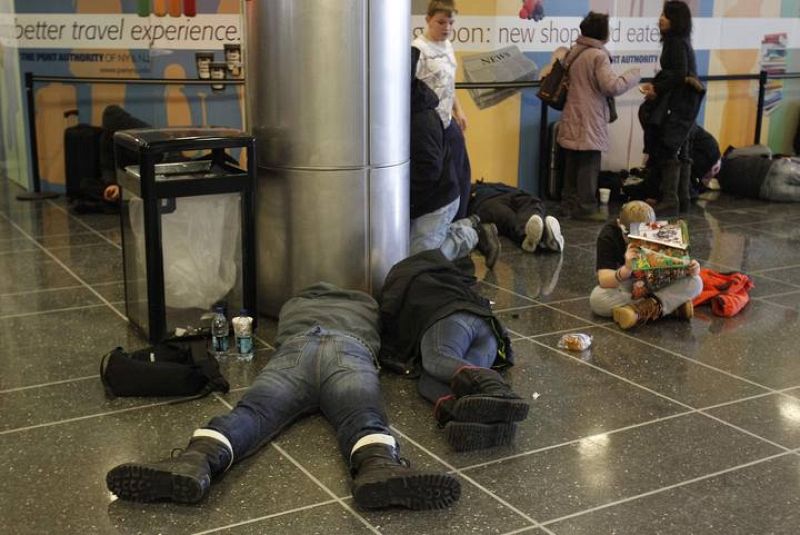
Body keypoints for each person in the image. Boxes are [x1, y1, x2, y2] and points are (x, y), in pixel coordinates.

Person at [106, 282, 461, 510]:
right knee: (362, 415)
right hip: (348, 350)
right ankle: (378, 466)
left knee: (253, 412)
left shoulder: (294, 304)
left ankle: (195, 460)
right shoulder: (367, 306)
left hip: (296, 350)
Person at [378, 250, 529, 452]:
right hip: (490, 334)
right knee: (429, 379)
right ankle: (481, 420)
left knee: (436, 358)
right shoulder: (451, 278)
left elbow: (387, 321)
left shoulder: (403, 281)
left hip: (450, 320)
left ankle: (492, 391)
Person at [410, 47, 501, 268]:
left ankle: (470, 233)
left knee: (417, 263)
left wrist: (406, 202)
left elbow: (428, 171)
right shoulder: (408, 107)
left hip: (436, 199)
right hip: (424, 196)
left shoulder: (421, 117)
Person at [557, 12, 641, 221]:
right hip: (590, 116)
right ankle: (586, 207)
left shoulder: (574, 52)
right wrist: (632, 76)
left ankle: (568, 204)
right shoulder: (598, 56)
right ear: (602, 32)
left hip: (572, 113)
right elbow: (611, 86)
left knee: (572, 161)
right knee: (589, 161)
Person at [589, 201, 702, 329]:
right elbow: (604, 280)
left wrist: (691, 268)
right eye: (630, 236)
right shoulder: (609, 235)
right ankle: (669, 305)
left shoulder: (659, 231)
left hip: (655, 283)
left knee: (696, 282)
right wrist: (626, 269)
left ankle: (640, 311)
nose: (638, 241)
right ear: (620, 224)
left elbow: (677, 265)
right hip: (628, 286)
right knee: (597, 299)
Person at [639, 1, 704, 217]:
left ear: (676, 20)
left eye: (666, 16)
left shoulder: (675, 43)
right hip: (686, 106)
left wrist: (656, 88)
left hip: (677, 106)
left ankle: (670, 199)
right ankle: (682, 198)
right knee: (683, 149)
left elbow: (677, 74)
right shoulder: (683, 41)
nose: (660, 19)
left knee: (669, 148)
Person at [413, 0, 472, 220]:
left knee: (462, 175)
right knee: (440, 181)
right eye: (440, 22)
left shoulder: (447, 46)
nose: (446, 27)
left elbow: (448, 83)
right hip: (429, 127)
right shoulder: (418, 50)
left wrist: (460, 110)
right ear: (428, 20)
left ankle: (460, 225)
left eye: (450, 22)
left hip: (447, 122)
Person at [468, 180, 564, 253]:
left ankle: (537, 235)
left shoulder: (488, 184)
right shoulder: (468, 191)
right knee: (507, 217)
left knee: (533, 204)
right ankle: (543, 237)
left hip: (512, 194)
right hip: (486, 201)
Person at [717, 147, 800, 202]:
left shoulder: (724, 186)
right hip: (773, 167)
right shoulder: (730, 156)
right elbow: (765, 150)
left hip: (768, 189)